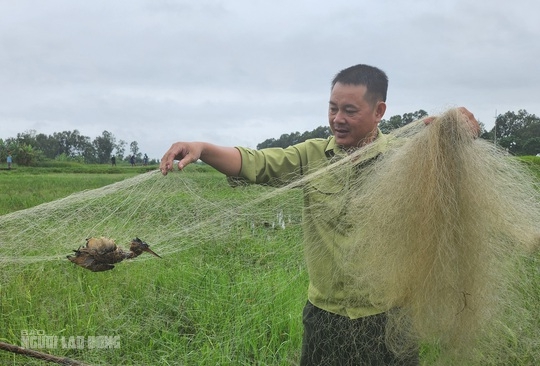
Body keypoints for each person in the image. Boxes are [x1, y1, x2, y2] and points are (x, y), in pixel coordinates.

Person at [160, 64, 479, 365]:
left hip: (388, 317)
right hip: (324, 317)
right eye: (332, 108)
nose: (338, 118)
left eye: (350, 111)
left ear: (379, 111)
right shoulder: (310, 156)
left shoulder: (406, 158)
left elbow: (450, 178)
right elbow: (256, 163)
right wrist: (201, 147)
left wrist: (455, 134)